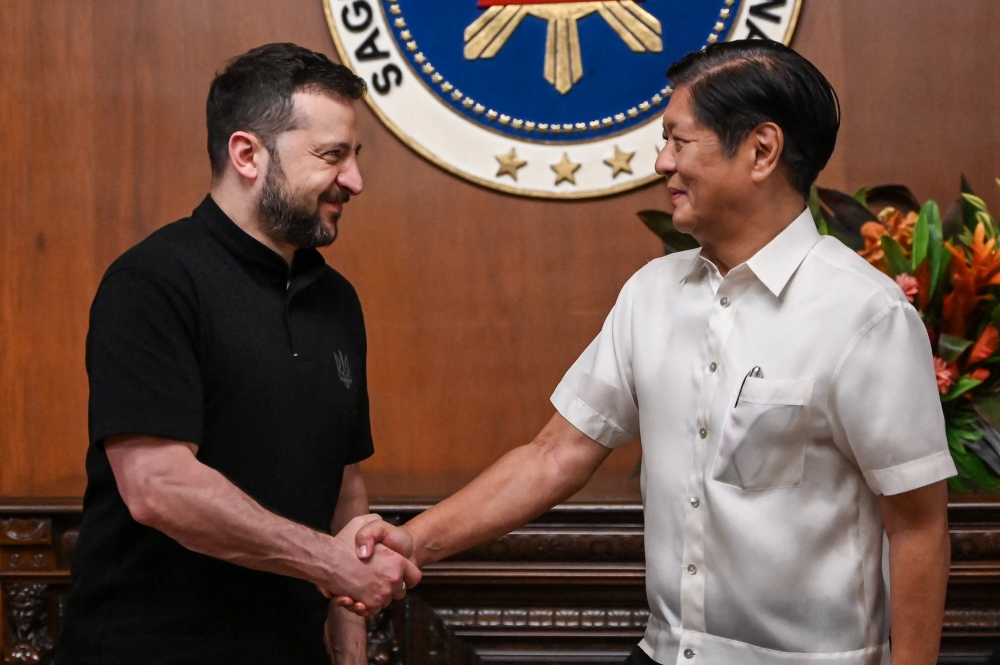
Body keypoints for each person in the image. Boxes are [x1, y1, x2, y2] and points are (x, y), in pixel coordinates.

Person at [345, 40, 955, 665]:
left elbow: (917, 526)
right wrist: (412, 541)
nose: (661, 163)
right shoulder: (652, 293)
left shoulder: (865, 314)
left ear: (761, 150)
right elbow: (556, 454)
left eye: (678, 141)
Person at [56, 43, 419, 665]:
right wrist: (327, 563)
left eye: (355, 156)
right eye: (332, 156)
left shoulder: (336, 299)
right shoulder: (154, 281)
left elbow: (344, 481)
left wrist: (349, 639)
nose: (354, 180)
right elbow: (158, 486)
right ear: (248, 154)